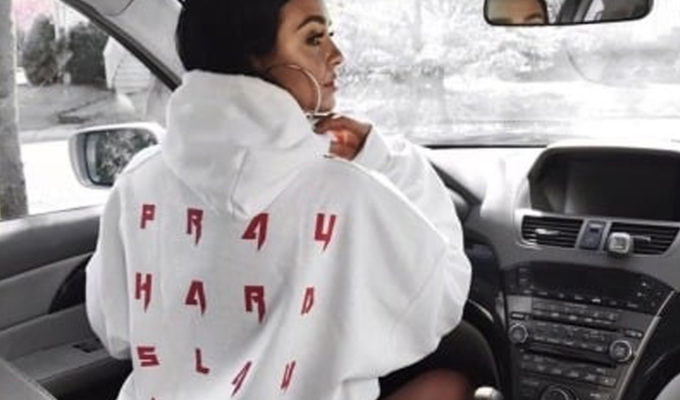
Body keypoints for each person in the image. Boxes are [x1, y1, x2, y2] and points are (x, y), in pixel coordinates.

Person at [85, 0, 472, 399]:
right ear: (252, 55)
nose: (337, 55)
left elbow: (113, 328)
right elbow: (440, 295)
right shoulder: (347, 194)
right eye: (314, 38)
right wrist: (387, 161)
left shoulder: (137, 183)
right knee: (453, 385)